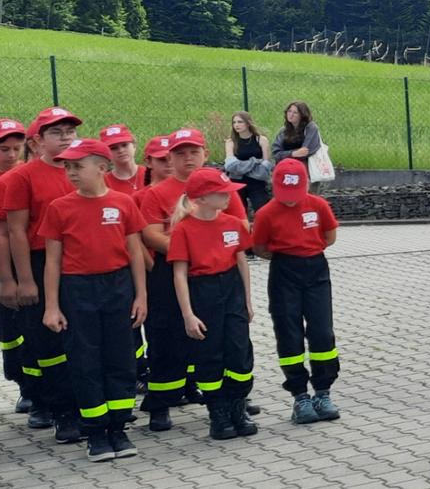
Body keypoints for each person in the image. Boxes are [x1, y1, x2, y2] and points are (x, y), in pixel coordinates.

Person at [38, 139, 149, 462]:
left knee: (121, 358)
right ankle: (96, 432)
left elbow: (134, 254)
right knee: (86, 360)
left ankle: (118, 427)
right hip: (78, 290)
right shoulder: (59, 208)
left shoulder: (124, 203)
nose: (71, 172)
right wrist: (52, 305)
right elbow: (53, 262)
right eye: (67, 166)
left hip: (117, 286)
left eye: (77, 166)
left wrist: (140, 295)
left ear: (102, 168)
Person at [135, 128, 250, 432]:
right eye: (180, 153)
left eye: (193, 151)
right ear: (169, 158)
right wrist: (190, 248)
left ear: (205, 154)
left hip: (215, 277)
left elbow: (238, 224)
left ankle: (229, 400)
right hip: (171, 272)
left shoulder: (221, 187)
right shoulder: (155, 193)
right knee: (166, 339)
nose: (188, 158)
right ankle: (160, 403)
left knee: (223, 338)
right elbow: (149, 233)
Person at [0, 106, 84, 441]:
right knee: (48, 341)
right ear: (38, 141)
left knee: (82, 338)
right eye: (56, 132)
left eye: (69, 131)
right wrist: (19, 280)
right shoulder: (20, 177)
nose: (65, 137)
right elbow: (13, 231)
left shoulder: (83, 170)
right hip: (38, 261)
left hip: (80, 265)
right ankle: (61, 411)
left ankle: (89, 406)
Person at [167, 167, 258, 441]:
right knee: (210, 354)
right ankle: (217, 412)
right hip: (203, 292)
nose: (230, 197)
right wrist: (188, 315)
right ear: (203, 198)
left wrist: (248, 300)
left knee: (239, 352)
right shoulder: (184, 229)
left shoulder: (232, 224)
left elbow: (241, 261)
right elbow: (179, 274)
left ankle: (237, 407)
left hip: (231, 290)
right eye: (224, 193)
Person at [251, 158, 341, 425]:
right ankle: (300, 395)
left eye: (296, 194)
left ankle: (323, 392)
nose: (290, 200)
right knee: (289, 333)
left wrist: (307, 251)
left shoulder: (318, 205)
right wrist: (288, 256)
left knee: (322, 332)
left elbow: (329, 235)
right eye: (285, 195)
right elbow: (260, 247)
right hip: (283, 272)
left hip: (316, 270)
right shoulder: (266, 213)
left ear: (307, 185)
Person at [0, 117, 31, 413]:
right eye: (4, 148)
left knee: (34, 329)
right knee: (9, 331)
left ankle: (38, 386)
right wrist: (0, 270)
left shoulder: (28, 177)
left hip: (29, 263)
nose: (11, 155)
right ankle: (21, 384)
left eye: (17, 148)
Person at [223, 112, 272, 215]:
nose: (236, 125)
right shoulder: (230, 142)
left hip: (257, 183)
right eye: (234, 122)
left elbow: (265, 169)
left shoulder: (261, 140)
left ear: (248, 123)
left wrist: (240, 168)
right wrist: (254, 162)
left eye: (240, 122)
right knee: (239, 214)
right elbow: (230, 166)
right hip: (236, 183)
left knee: (262, 212)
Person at [272, 102, 323, 191]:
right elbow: (276, 153)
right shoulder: (283, 131)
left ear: (302, 115)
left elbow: (305, 151)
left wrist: (287, 154)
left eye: (295, 112)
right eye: (289, 111)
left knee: (307, 198)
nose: (291, 115)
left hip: (307, 171)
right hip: (286, 169)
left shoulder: (311, 128)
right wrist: (293, 153)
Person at [98, 125, 145, 196]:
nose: (121, 150)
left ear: (134, 145)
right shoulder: (102, 182)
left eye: (124, 145)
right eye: (113, 148)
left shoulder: (152, 174)